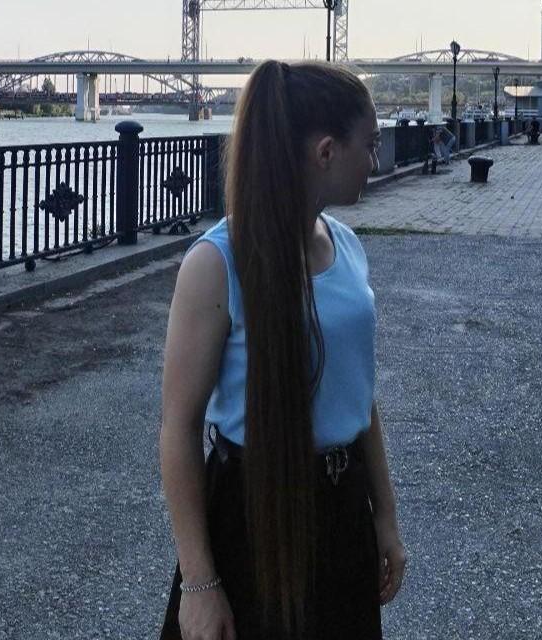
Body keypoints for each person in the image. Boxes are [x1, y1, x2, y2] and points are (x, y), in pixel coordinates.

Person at [158, 60, 406, 640]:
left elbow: (360, 396)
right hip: (252, 516)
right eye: (369, 145)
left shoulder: (347, 247)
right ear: (326, 152)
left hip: (343, 508)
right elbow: (178, 427)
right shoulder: (217, 263)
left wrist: (385, 518)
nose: (375, 161)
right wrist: (199, 582)